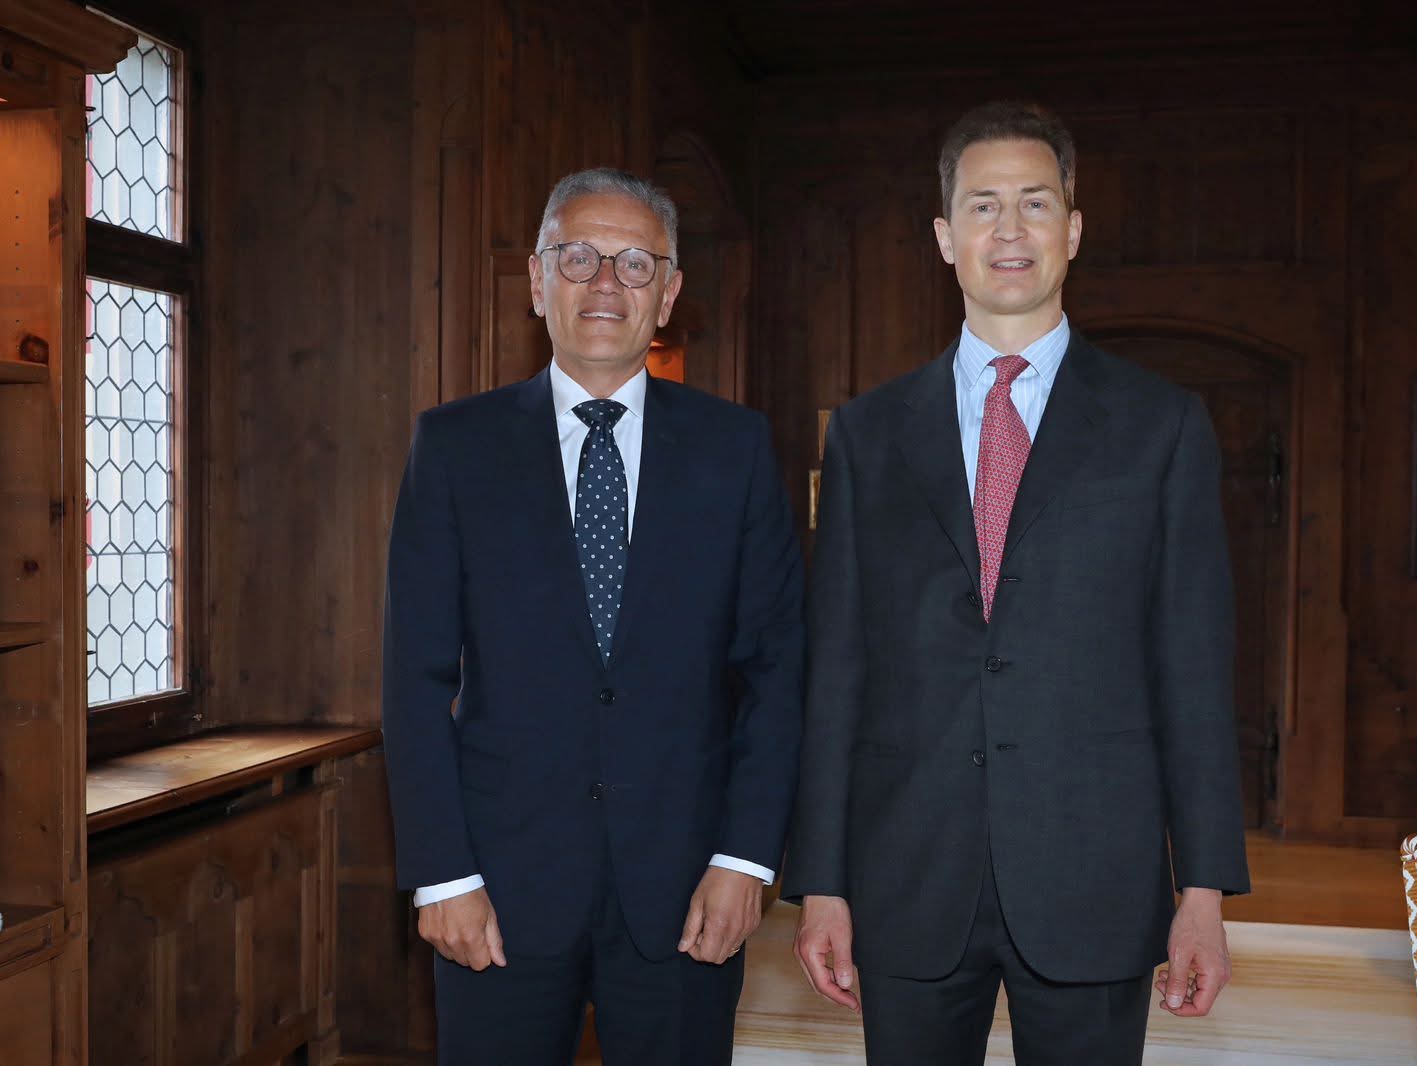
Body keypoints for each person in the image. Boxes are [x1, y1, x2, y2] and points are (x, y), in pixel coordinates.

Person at [785, 102, 1251, 1065]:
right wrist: (821, 880)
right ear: (944, 235)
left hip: (1094, 870)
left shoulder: (1161, 426)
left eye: (1035, 203)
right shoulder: (869, 434)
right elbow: (837, 671)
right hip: (908, 872)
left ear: (1071, 230)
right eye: (983, 205)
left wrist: (1203, 888)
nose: (1009, 229)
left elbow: (1194, 668)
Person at [381, 168, 804, 1065]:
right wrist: (442, 873)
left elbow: (776, 670)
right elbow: (413, 678)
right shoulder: (454, 447)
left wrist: (745, 861)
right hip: (495, 888)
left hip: (688, 888)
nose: (606, 282)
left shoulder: (734, 449)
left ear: (669, 294)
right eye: (579, 257)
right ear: (538, 281)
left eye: (635, 263)